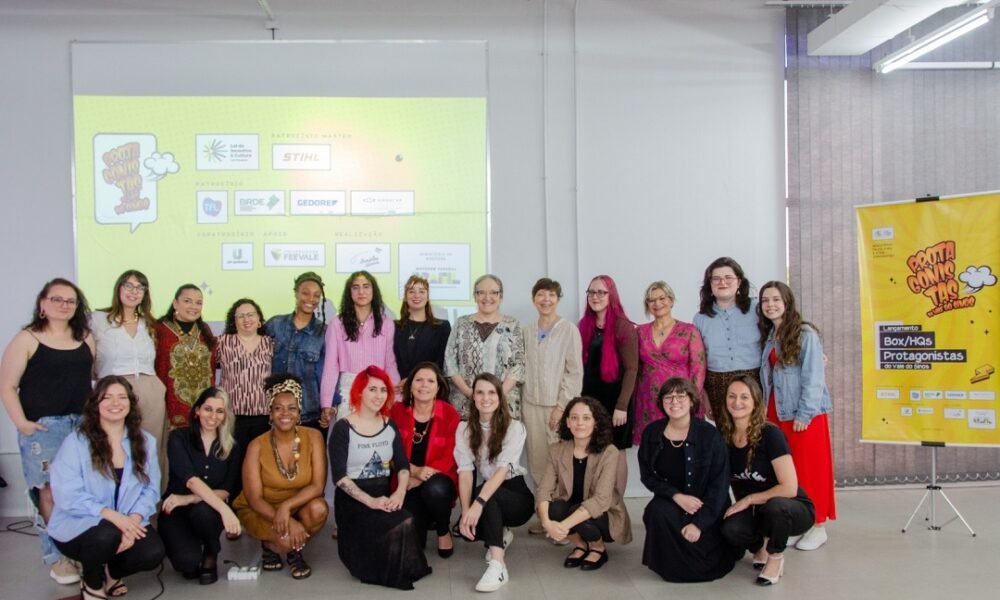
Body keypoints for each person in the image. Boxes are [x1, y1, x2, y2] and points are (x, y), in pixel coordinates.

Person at [0, 277, 95, 585]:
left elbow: (89, 380)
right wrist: (22, 423)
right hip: (45, 427)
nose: (64, 305)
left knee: (82, 489)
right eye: (57, 299)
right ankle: (60, 556)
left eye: (70, 301)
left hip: (81, 424)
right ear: (43, 304)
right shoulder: (27, 339)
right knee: (49, 491)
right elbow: (7, 386)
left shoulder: (86, 338)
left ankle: (82, 549)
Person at [47, 376, 165, 600]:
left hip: (128, 521)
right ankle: (92, 584)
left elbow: (150, 489)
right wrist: (115, 518)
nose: (115, 403)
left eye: (122, 397)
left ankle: (111, 572)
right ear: (96, 404)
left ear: (130, 403)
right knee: (106, 534)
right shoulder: (76, 442)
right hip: (80, 525)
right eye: (107, 397)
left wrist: (134, 520)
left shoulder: (145, 441)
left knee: (153, 553)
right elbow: (67, 493)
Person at [329, 365, 432, 590]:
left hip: (383, 494)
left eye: (383, 390)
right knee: (400, 522)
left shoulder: (388, 424)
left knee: (407, 518)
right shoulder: (342, 428)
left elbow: (402, 465)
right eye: (372, 389)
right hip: (354, 501)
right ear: (359, 392)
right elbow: (339, 478)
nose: (379, 396)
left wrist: (400, 491)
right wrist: (371, 502)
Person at [758, 281, 835, 550]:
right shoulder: (770, 336)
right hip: (776, 414)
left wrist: (805, 413)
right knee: (789, 474)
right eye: (765, 300)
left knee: (811, 470)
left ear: (787, 302)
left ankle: (819, 525)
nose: (770, 305)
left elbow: (814, 377)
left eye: (776, 299)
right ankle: (798, 522)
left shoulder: (805, 334)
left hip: (803, 416)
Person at [637, 377, 736, 582]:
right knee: (656, 511)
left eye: (681, 396)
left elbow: (719, 486)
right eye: (669, 397)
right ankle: (671, 567)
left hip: (705, 504)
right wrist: (676, 496)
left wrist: (699, 524)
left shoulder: (710, 434)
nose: (674, 401)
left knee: (703, 555)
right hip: (675, 500)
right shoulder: (652, 433)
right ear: (662, 402)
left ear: (692, 401)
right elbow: (648, 476)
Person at [719, 375, 815, 586]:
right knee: (730, 528)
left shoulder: (771, 434)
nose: (737, 402)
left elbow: (789, 488)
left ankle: (775, 556)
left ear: (755, 402)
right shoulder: (724, 436)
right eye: (732, 396)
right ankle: (759, 545)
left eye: (744, 397)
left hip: (792, 508)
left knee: (776, 506)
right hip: (758, 510)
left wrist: (749, 499)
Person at [232, 374, 328, 579]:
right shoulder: (256, 445)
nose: (285, 413)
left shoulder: (314, 437)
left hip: (296, 506)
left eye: (292, 408)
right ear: (270, 413)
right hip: (261, 509)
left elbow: (318, 486)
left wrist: (286, 507)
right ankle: (272, 544)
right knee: (284, 541)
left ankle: (292, 548)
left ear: (299, 411)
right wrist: (282, 517)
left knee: (319, 508)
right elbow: (254, 498)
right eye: (278, 408)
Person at [455, 373, 534, 592]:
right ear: (473, 397)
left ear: (500, 397)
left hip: (517, 498)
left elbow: (500, 472)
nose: (485, 398)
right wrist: (465, 512)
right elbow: (465, 472)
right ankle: (501, 535)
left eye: (491, 392)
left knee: (485, 497)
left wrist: (477, 504)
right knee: (479, 507)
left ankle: (498, 565)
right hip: (490, 491)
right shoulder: (464, 429)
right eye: (479, 392)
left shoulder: (515, 427)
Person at [90, 270, 168, 487]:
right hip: (113, 391)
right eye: (129, 285)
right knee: (114, 447)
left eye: (140, 287)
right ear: (118, 288)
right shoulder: (98, 319)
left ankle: (150, 511)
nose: (134, 291)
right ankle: (115, 509)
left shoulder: (149, 324)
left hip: (149, 389)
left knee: (150, 448)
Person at [535, 397, 631, 571]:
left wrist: (562, 527)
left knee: (577, 512)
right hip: (574, 508)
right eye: (574, 418)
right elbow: (543, 491)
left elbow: (601, 500)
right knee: (553, 509)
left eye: (586, 418)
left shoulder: (609, 452)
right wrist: (547, 523)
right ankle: (580, 544)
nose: (580, 423)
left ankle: (598, 547)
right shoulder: (557, 450)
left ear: (595, 423)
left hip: (604, 514)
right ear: (567, 422)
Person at [159, 387, 243, 584]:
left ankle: (211, 551)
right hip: (176, 510)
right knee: (187, 564)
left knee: (203, 512)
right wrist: (227, 511)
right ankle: (192, 549)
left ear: (225, 416)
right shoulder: (178, 437)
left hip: (206, 510)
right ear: (197, 411)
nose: (213, 416)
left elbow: (226, 490)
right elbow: (191, 480)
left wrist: (188, 498)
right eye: (208, 409)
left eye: (219, 411)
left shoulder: (232, 446)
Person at [522, 277, 583, 536]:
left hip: (557, 406)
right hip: (530, 405)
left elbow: (574, 372)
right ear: (533, 299)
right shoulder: (526, 330)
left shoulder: (568, 329)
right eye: (540, 295)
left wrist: (562, 408)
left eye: (551, 295)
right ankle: (544, 515)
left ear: (558, 299)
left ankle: (563, 519)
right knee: (537, 462)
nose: (545, 299)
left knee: (560, 462)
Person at [390, 362, 460, 558]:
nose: (424, 385)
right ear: (410, 385)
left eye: (431, 381)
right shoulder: (396, 412)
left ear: (438, 387)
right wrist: (412, 471)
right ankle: (424, 521)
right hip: (406, 482)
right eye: (419, 380)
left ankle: (443, 529)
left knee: (435, 489)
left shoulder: (449, 414)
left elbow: (450, 457)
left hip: (437, 481)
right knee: (414, 544)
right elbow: (390, 451)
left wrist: (421, 477)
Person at [320, 270, 399, 426]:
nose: (361, 291)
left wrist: (396, 397)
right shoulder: (337, 324)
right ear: (349, 293)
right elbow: (330, 366)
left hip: (377, 390)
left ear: (373, 291)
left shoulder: (386, 323)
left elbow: (390, 362)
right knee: (348, 439)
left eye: (366, 286)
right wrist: (326, 403)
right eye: (355, 287)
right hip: (348, 390)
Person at [633, 281, 707, 445]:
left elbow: (698, 368)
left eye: (662, 298)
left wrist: (691, 399)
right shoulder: (639, 332)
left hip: (680, 399)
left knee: (684, 447)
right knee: (653, 449)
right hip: (649, 401)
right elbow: (633, 368)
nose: (657, 303)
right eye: (652, 300)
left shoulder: (689, 330)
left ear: (671, 300)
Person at [445, 274, 526, 419]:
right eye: (481, 292)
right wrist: (471, 393)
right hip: (466, 405)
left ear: (501, 296)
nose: (487, 297)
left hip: (503, 404)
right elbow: (449, 362)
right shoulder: (461, 323)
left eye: (493, 292)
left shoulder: (513, 325)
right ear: (475, 296)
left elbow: (518, 365)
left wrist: (497, 395)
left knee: (502, 441)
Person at [693, 257, 761, 421]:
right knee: (725, 435)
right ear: (709, 285)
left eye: (728, 277)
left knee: (756, 433)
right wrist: (704, 396)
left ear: (739, 282)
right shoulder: (700, 318)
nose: (722, 282)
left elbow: (784, 326)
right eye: (716, 278)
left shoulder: (757, 309)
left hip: (753, 380)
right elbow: (699, 361)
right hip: (717, 383)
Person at [264, 271, 329, 433]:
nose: (310, 299)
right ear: (296, 293)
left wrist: (329, 406)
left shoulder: (324, 332)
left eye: (316, 295)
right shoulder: (274, 325)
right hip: (275, 414)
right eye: (305, 293)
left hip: (310, 414)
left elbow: (327, 374)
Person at [579, 275, 637, 448]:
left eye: (601, 292)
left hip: (616, 401)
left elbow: (632, 369)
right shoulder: (584, 325)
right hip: (590, 400)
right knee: (592, 450)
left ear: (611, 295)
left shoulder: (622, 326)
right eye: (591, 292)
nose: (595, 297)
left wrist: (622, 406)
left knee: (615, 451)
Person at [217, 298, 274, 457]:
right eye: (240, 316)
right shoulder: (223, 343)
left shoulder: (270, 343)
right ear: (233, 321)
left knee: (259, 464)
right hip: (232, 417)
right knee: (234, 465)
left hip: (263, 417)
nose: (246, 319)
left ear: (259, 319)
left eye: (250, 315)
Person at [155, 284, 216, 428]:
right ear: (175, 303)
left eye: (199, 303)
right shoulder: (159, 329)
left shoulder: (204, 330)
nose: (193, 306)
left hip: (203, 404)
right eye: (187, 301)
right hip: (168, 404)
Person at [393, 274, 452, 383]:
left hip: (428, 389)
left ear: (427, 296)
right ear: (405, 297)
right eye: (411, 291)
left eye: (421, 291)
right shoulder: (393, 327)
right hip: (398, 388)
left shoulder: (442, 327)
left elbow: (441, 363)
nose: (416, 295)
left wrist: (412, 381)